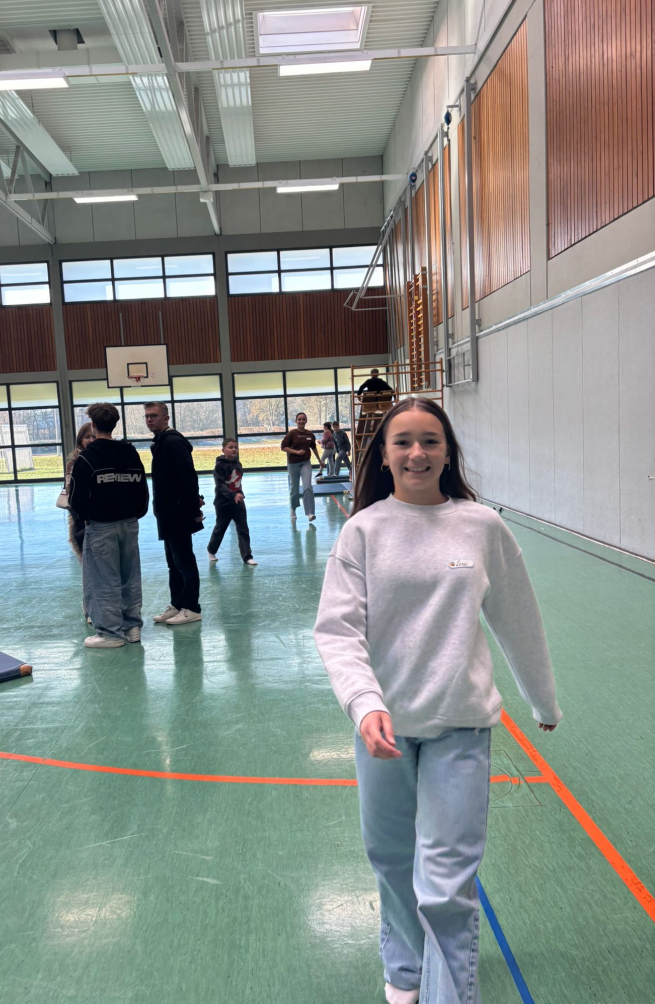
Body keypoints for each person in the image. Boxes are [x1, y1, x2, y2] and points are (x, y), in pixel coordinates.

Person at [314, 397, 561, 1004]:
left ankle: (450, 993)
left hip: (460, 725)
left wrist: (543, 701)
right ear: (384, 454)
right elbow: (338, 630)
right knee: (392, 860)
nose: (417, 453)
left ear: (449, 452)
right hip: (384, 730)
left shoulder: (481, 526)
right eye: (403, 442)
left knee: (446, 883)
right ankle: (405, 970)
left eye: (430, 441)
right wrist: (364, 703)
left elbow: (518, 619)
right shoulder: (362, 531)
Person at [68, 403, 148, 649]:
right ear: (115, 424)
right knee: (130, 576)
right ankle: (132, 627)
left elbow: (75, 499)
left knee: (103, 580)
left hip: (101, 526)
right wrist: (135, 513)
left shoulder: (87, 457)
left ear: (93, 425)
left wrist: (87, 516)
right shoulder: (130, 453)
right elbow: (142, 490)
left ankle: (110, 633)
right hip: (130, 524)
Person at [144, 401, 204, 625]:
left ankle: (192, 607)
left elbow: (189, 477)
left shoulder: (173, 442)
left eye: (154, 415)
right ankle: (177, 603)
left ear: (166, 418)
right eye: (147, 416)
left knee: (184, 561)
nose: (150, 419)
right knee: (173, 563)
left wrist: (194, 509)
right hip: (166, 513)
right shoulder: (160, 442)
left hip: (179, 512)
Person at [206, 438, 257, 566]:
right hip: (223, 503)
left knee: (243, 529)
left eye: (236, 447)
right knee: (220, 528)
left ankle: (247, 556)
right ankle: (211, 550)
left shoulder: (238, 464)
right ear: (223, 450)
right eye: (230, 447)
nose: (234, 449)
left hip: (238, 502)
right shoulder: (219, 466)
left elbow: (237, 483)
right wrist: (232, 494)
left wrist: (239, 495)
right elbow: (220, 485)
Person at [65, 422, 96, 623]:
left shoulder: (103, 456)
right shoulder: (75, 461)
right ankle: (89, 609)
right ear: (80, 440)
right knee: (88, 569)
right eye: (87, 437)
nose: (91, 440)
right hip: (80, 523)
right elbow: (71, 493)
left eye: (94, 436)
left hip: (101, 521)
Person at [281, 412, 321, 522]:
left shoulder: (310, 434)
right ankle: (293, 509)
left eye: (303, 419)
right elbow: (283, 447)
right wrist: (296, 452)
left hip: (305, 463)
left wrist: (319, 460)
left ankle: (310, 513)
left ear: (306, 421)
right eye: (299, 419)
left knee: (307, 486)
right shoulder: (292, 434)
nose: (301, 421)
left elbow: (313, 447)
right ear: (296, 421)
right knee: (294, 488)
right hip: (293, 463)